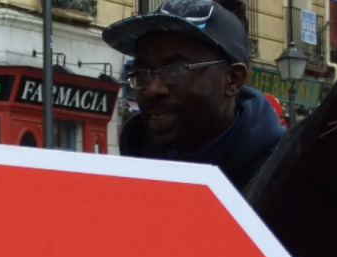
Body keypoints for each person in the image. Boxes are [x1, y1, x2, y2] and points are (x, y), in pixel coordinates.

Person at [102, 0, 285, 192]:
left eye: (175, 70)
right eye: (142, 73)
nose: (152, 89)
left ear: (232, 79)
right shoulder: (126, 181)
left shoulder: (288, 178)